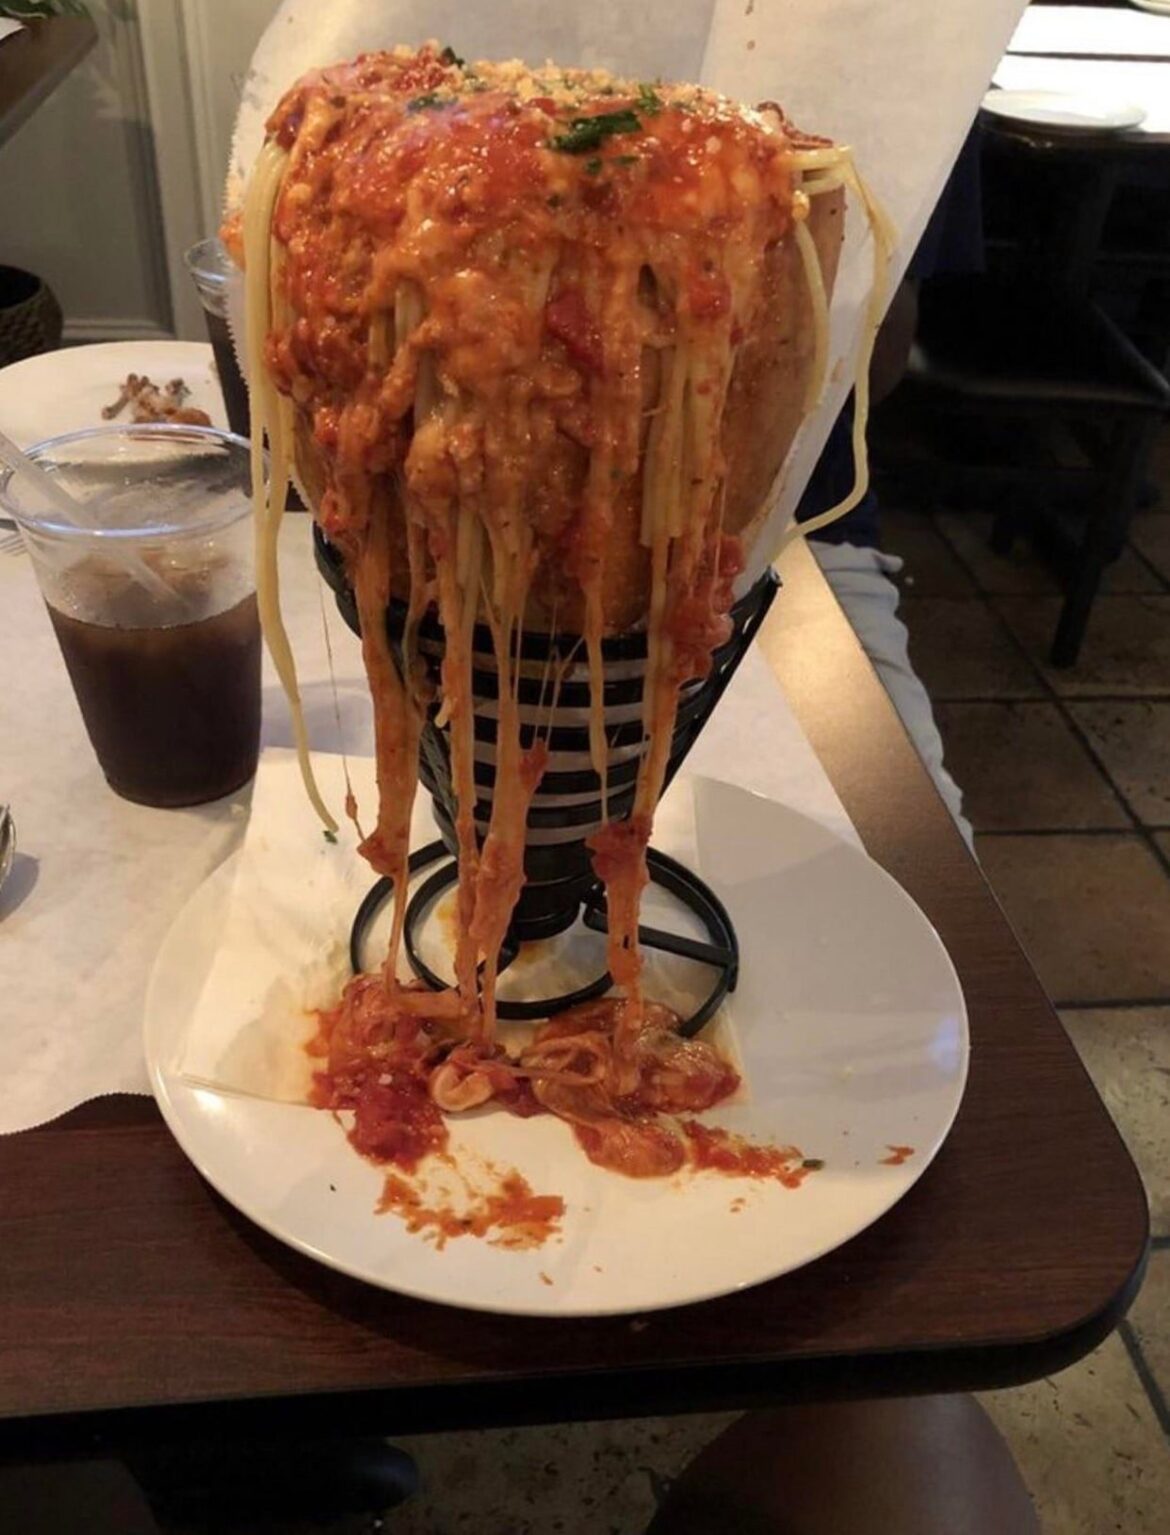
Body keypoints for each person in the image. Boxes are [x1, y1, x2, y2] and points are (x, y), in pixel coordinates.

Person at [797, 134, 986, 849]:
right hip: (451, 542)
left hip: (808, 537)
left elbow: (879, 362)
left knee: (922, 860)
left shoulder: (919, 52)